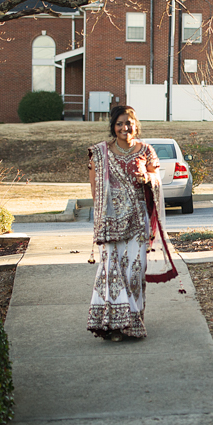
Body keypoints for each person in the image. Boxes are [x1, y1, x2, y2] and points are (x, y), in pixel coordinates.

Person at [87, 105, 178, 341]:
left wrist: (146, 177)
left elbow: (157, 180)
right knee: (111, 272)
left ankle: (132, 323)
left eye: (128, 123)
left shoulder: (146, 150)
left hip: (138, 219)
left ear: (135, 125)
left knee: (135, 271)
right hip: (110, 220)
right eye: (119, 123)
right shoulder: (100, 152)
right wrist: (100, 218)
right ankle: (111, 325)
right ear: (113, 127)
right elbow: (95, 187)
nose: (124, 127)